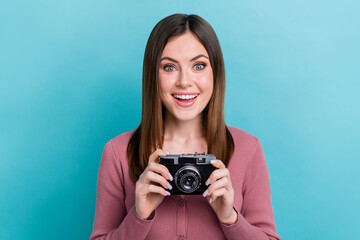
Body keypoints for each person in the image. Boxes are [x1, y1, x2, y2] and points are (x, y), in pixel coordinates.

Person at [90, 13, 281, 240]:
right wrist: (139, 215)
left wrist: (230, 217)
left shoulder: (248, 149)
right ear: (153, 74)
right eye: (169, 67)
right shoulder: (117, 152)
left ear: (215, 73)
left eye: (199, 66)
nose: (184, 81)